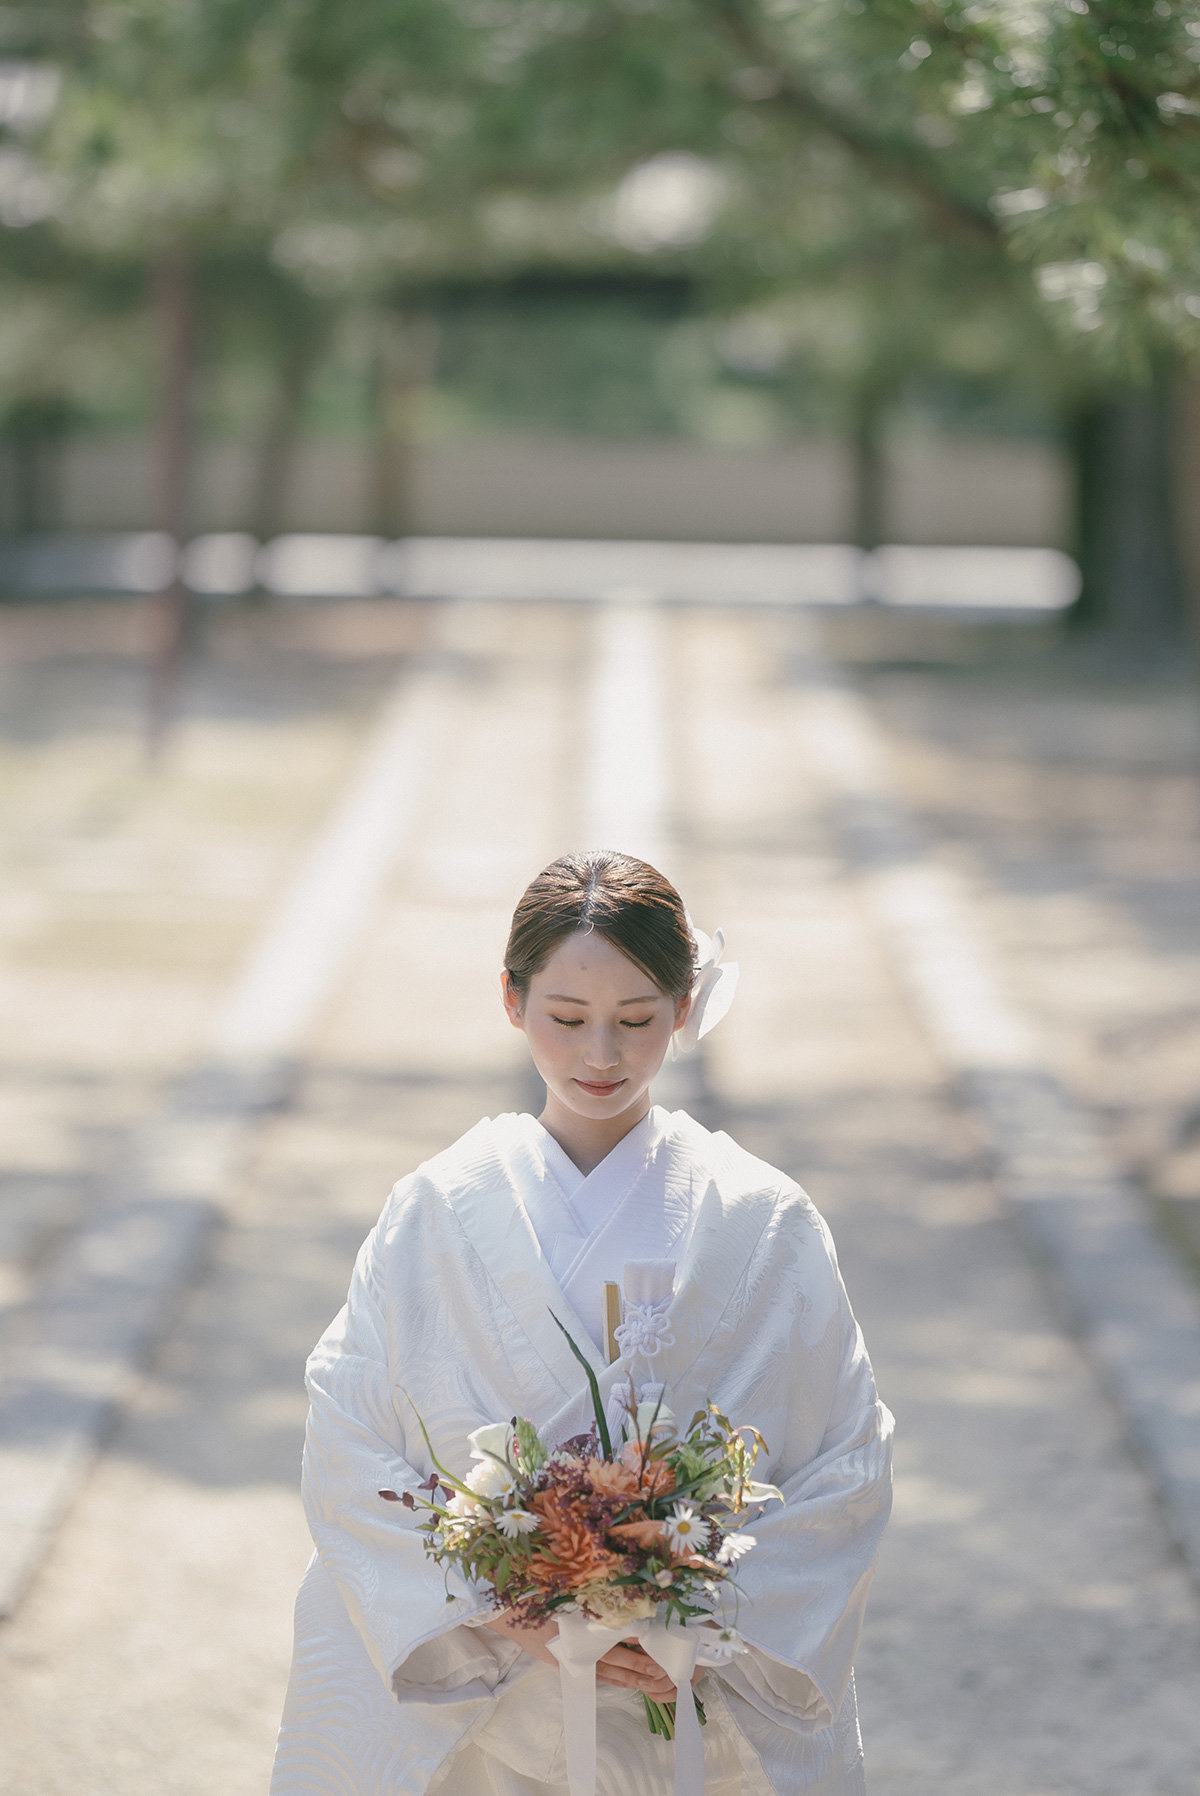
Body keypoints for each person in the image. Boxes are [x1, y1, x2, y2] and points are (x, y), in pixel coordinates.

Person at [271, 851, 894, 1796]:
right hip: (496, 1684)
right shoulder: (438, 1208)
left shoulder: (762, 1219)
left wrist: (698, 1611)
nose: (601, 1054)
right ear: (513, 1003)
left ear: (684, 1009)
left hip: (684, 1685)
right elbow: (348, 1432)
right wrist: (501, 1604)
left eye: (637, 1020)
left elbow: (847, 1456)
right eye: (567, 1019)